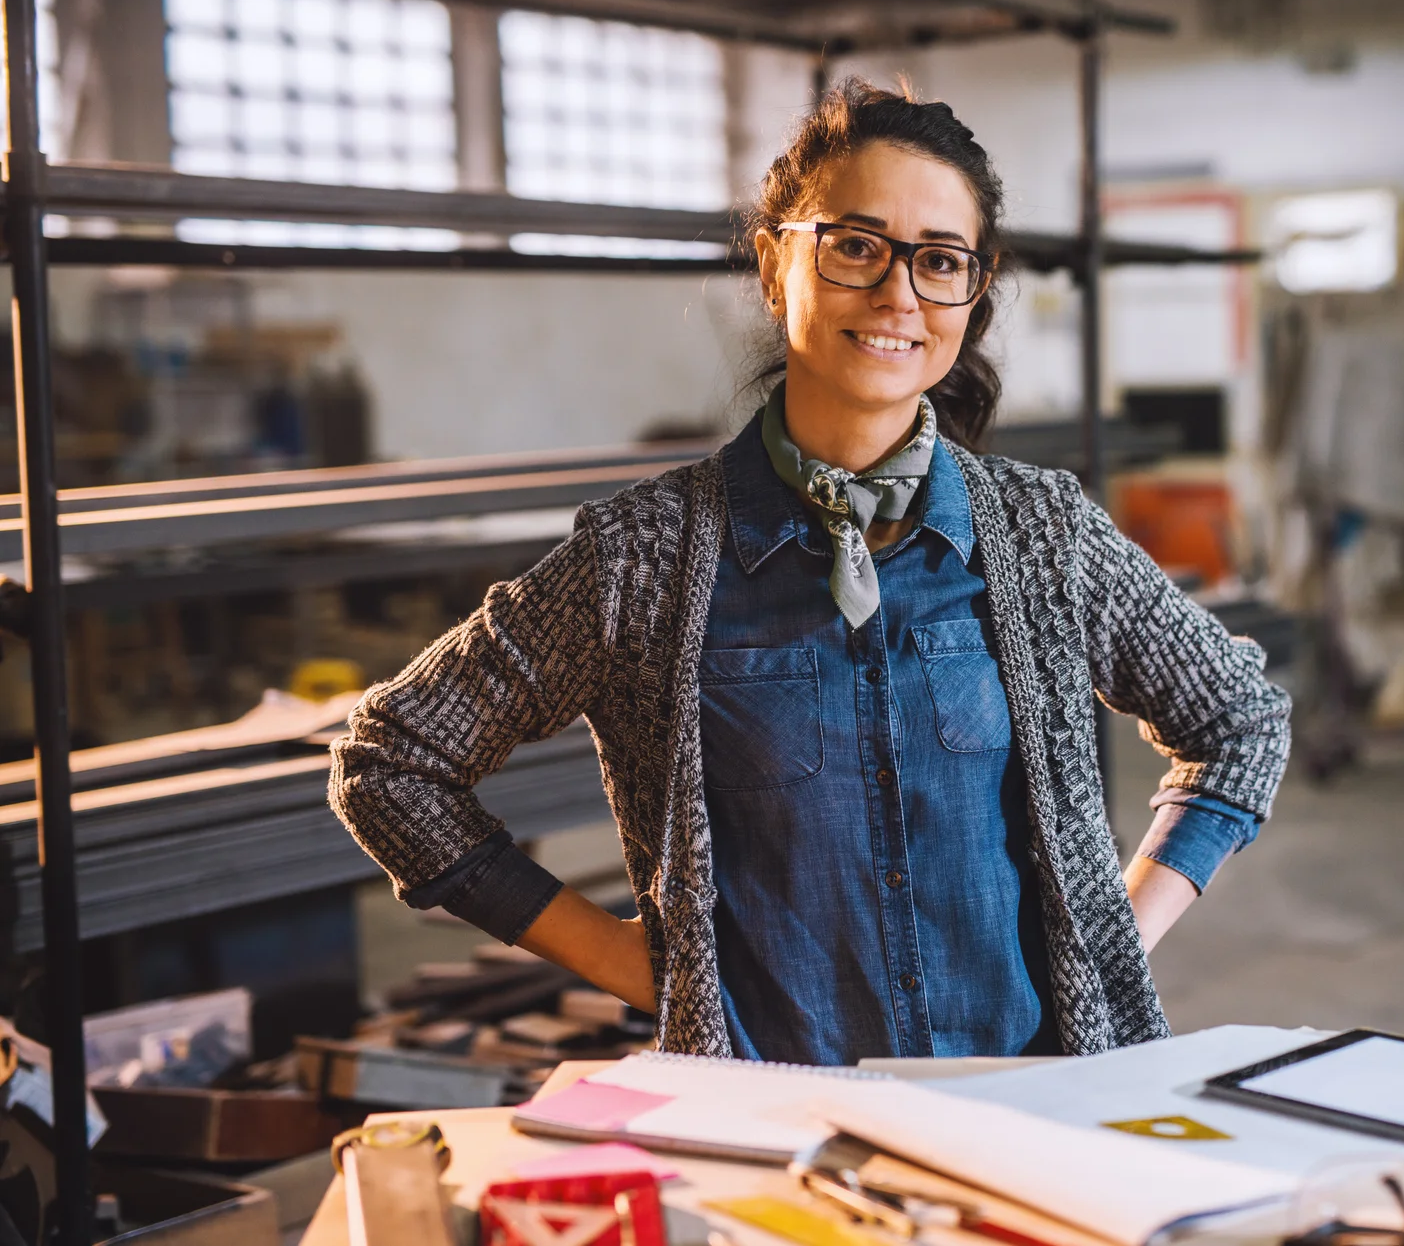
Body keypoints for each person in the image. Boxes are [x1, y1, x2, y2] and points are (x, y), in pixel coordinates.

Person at [329, 80, 1290, 1066]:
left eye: (940, 261)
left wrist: (1110, 940)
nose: (898, 294)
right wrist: (632, 963)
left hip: (1029, 1105)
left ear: (975, 288)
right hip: (776, 1130)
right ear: (773, 258)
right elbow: (392, 765)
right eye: (857, 245)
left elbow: (1239, 725)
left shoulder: (1043, 532)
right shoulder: (646, 557)